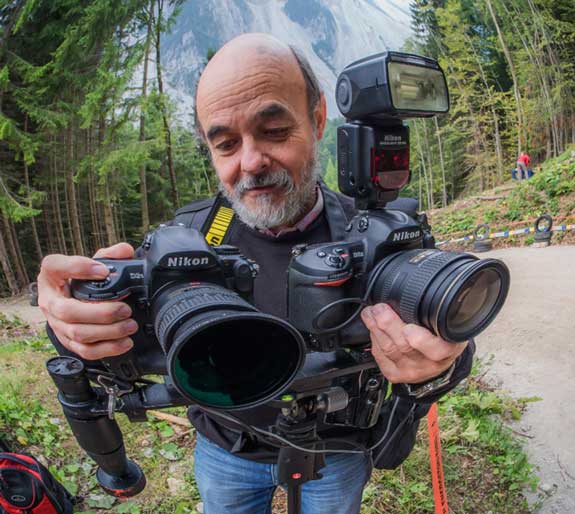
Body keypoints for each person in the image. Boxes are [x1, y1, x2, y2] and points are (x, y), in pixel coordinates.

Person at [37, 34, 474, 514]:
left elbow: (448, 331)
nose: (251, 162)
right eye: (226, 144)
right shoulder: (188, 238)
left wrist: (437, 367)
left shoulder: (374, 233)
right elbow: (105, 346)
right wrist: (71, 321)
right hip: (226, 444)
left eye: (274, 130)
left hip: (338, 446)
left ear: (318, 119)